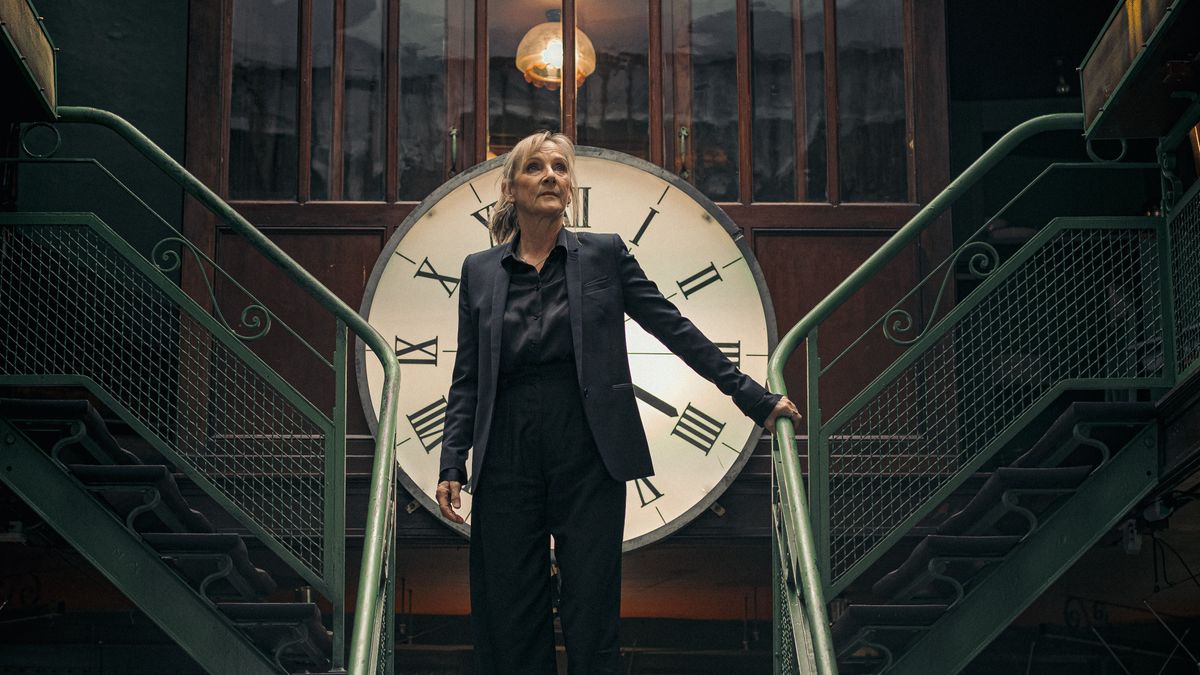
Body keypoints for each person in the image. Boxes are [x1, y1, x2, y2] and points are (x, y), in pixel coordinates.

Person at [436, 130, 802, 674]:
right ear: (510, 188)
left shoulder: (603, 254)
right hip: (507, 451)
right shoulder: (480, 270)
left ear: (571, 187)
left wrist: (753, 397)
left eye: (560, 167)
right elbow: (468, 376)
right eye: (535, 167)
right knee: (509, 613)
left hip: (588, 447)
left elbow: (674, 328)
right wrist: (452, 460)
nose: (551, 176)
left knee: (591, 610)